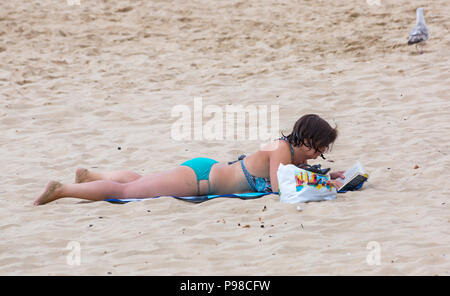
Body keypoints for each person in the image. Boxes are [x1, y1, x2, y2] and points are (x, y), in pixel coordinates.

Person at [34, 114, 345, 205]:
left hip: (206, 170)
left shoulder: (289, 154)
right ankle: (61, 190)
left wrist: (328, 178)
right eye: (318, 148)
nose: (319, 155)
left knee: (142, 182)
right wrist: (323, 186)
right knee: (127, 193)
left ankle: (90, 176)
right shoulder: (280, 150)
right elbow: (280, 189)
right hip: (199, 180)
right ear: (307, 139)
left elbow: (295, 176)